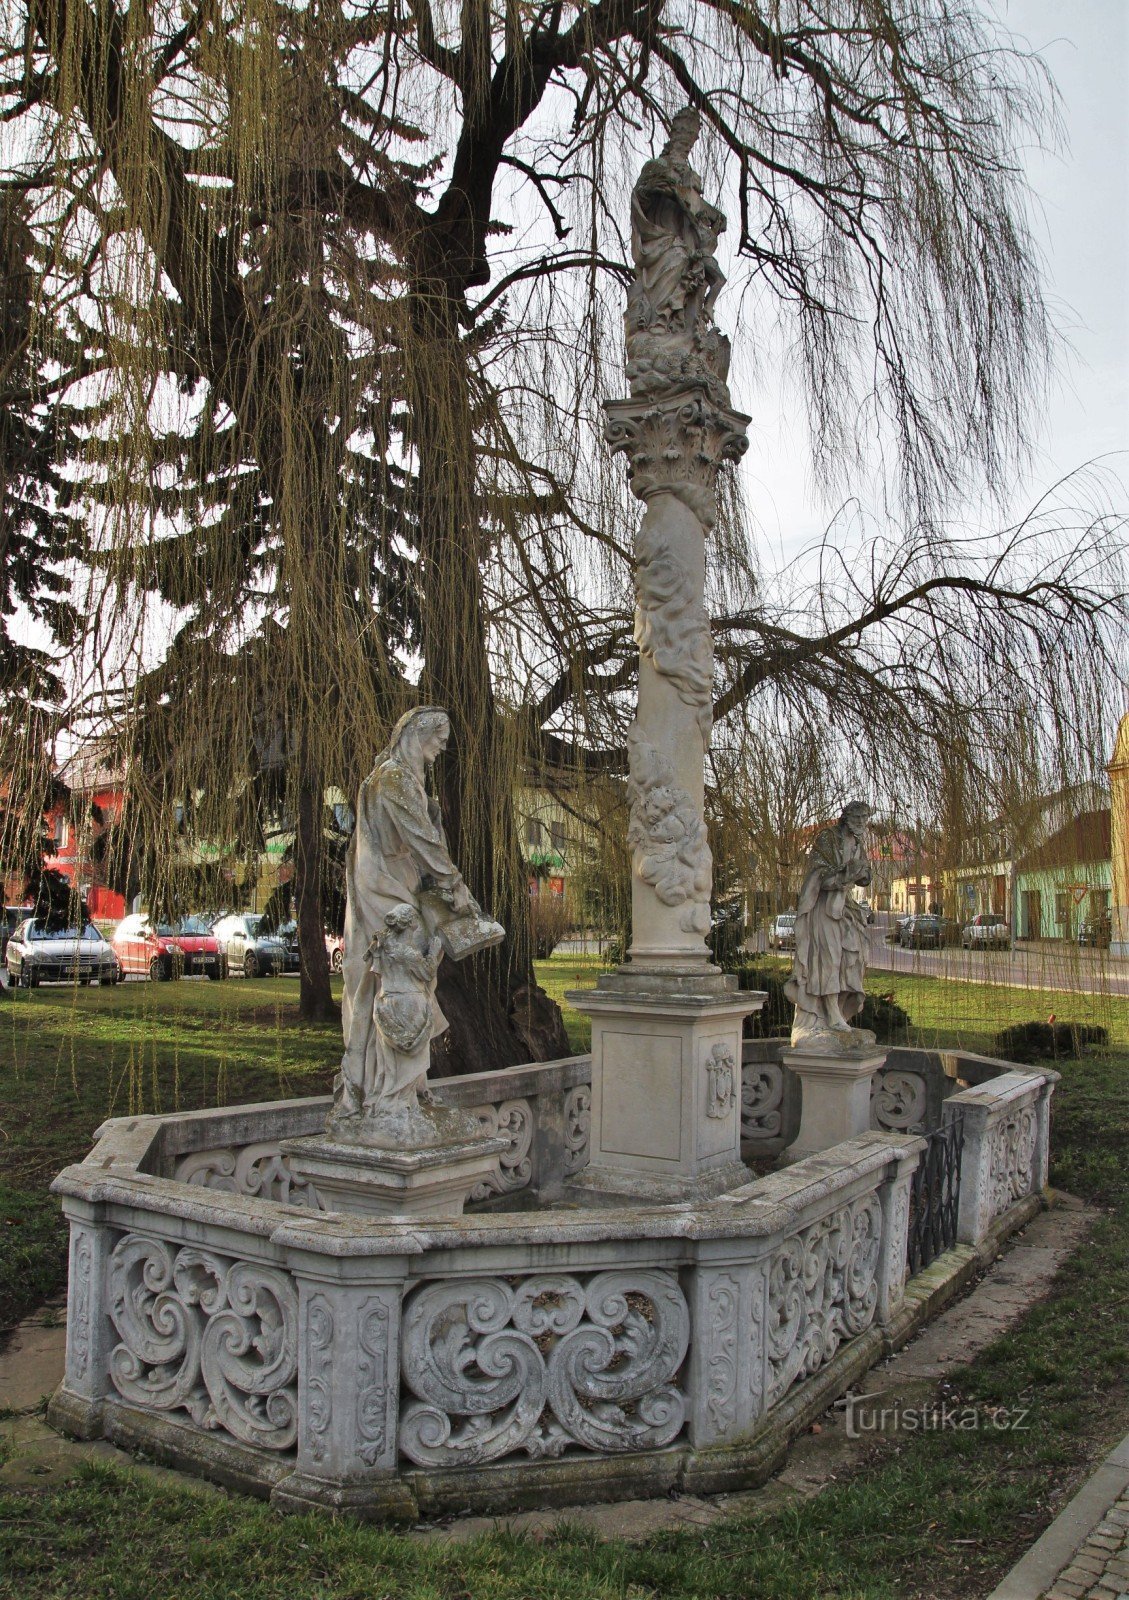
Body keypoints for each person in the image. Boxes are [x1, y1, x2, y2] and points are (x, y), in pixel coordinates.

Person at [333, 706, 499, 1123]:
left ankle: (404, 1088)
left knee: (408, 979)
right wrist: (455, 886)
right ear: (417, 733)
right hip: (385, 891)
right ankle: (386, 1094)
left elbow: (424, 837)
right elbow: (422, 842)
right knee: (392, 979)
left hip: (395, 884)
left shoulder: (400, 781)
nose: (444, 745)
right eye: (439, 736)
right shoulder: (393, 779)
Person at [785, 802, 873, 1046]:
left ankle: (839, 1011)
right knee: (829, 958)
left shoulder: (857, 843)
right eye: (858, 817)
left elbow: (865, 874)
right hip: (822, 908)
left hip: (844, 906)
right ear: (847, 817)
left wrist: (862, 874)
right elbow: (817, 874)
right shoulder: (827, 838)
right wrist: (844, 874)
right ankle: (830, 1013)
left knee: (851, 957)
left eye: (865, 819)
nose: (862, 823)